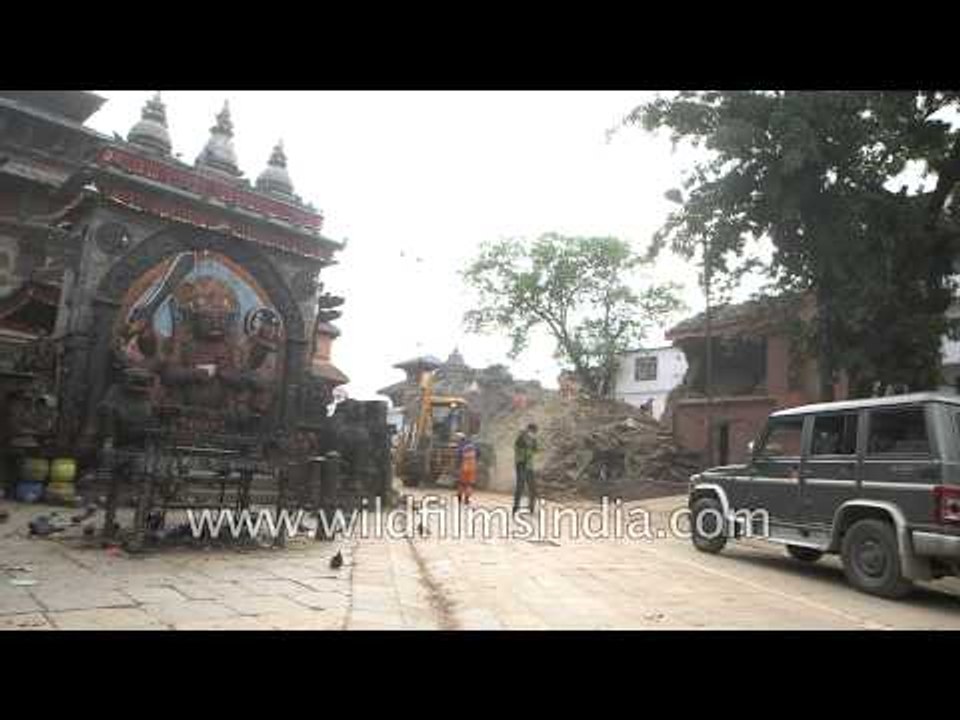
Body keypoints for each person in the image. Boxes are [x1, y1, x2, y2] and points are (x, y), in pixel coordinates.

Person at [513, 423, 539, 514]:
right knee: (520, 486)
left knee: (533, 487)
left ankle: (531, 506)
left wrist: (534, 443)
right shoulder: (521, 438)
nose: (534, 433)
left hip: (529, 466)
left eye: (535, 432)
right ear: (529, 430)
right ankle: (516, 506)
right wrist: (523, 434)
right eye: (533, 431)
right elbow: (519, 446)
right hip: (521, 464)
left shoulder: (533, 440)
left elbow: (535, 450)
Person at [455, 433, 480, 505]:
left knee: (461, 483)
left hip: (463, 467)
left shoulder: (461, 448)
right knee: (469, 484)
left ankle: (459, 498)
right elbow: (478, 455)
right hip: (472, 467)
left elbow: (458, 457)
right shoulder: (475, 447)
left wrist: (457, 467)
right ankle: (466, 499)